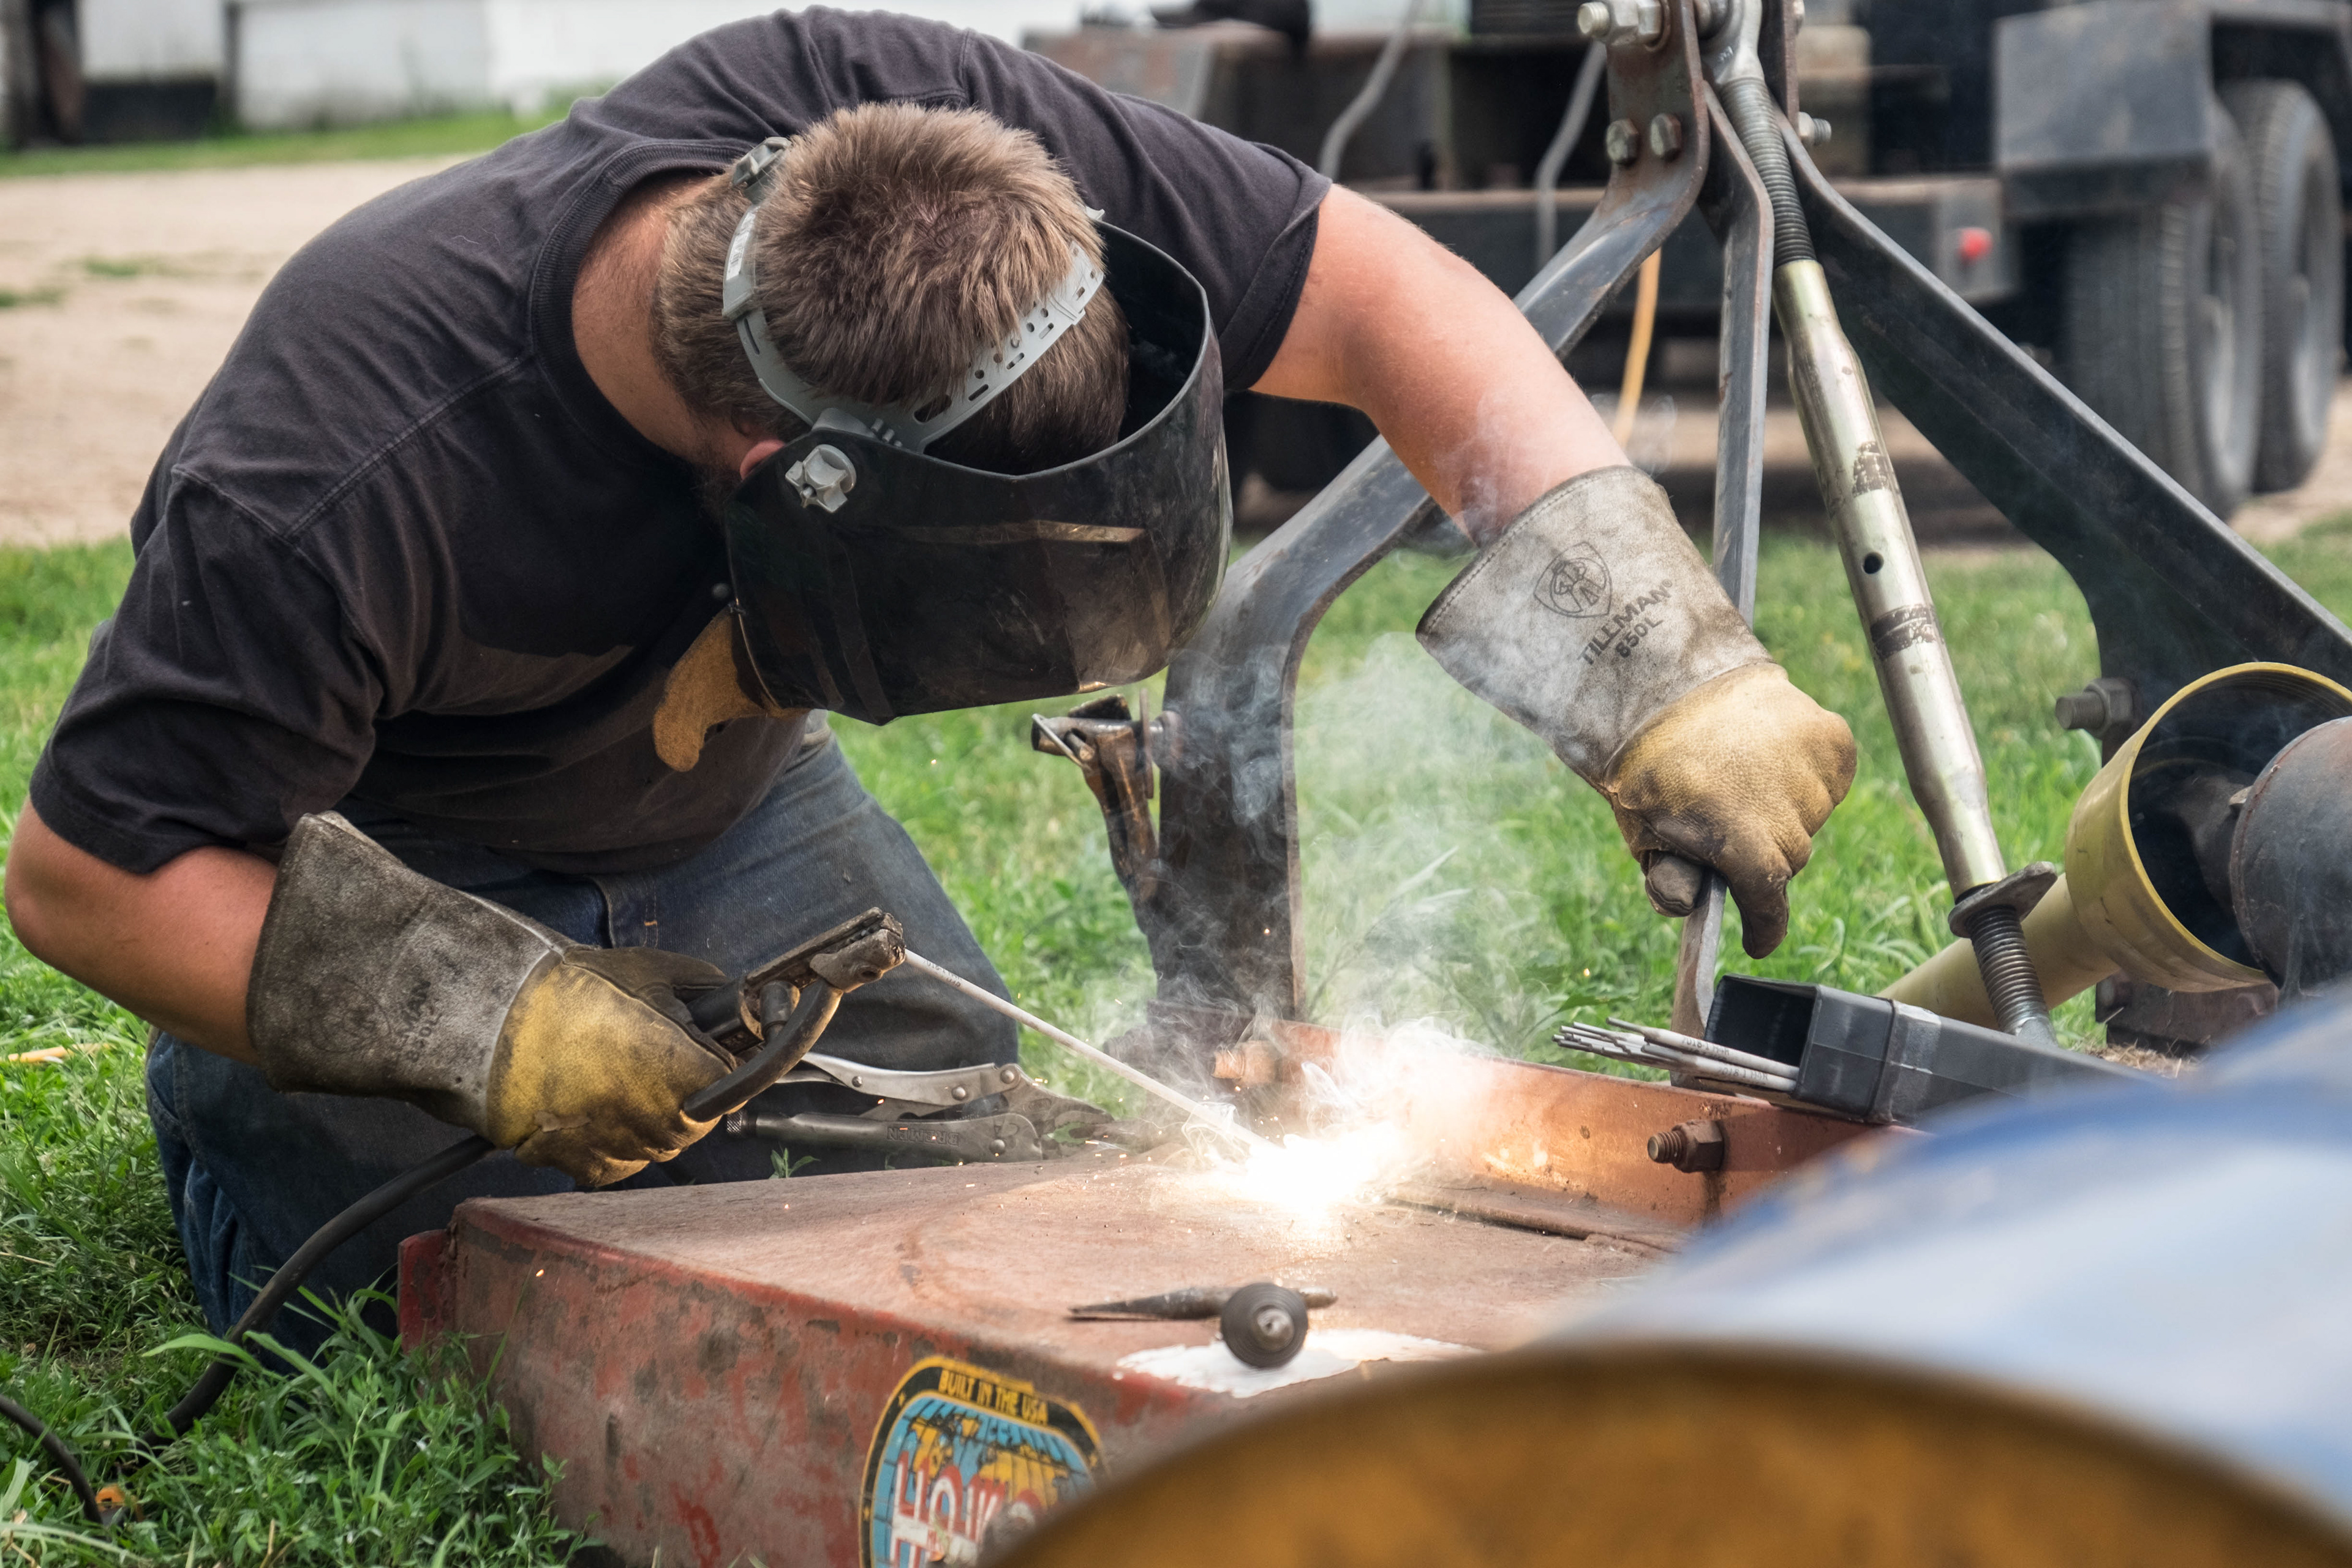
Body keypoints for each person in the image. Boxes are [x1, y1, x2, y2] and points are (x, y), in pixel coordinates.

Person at [2, 8, 1853, 1349]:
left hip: (728, 815)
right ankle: (287, 1157)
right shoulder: (344, 472)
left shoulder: (927, 158)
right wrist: (495, 1023)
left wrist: (1657, 655)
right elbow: (87, 872)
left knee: (976, 1179)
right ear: (782, 482)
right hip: (392, 881)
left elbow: (1391, 303)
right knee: (474, 1291)